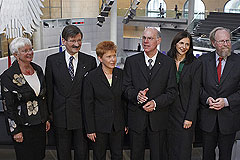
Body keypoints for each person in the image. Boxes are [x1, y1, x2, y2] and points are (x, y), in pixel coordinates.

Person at [123, 27, 177, 160]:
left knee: (158, 155)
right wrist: (136, 95)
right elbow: (125, 88)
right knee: (136, 155)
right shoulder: (131, 62)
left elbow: (172, 91)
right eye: (144, 38)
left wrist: (155, 103)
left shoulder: (168, 63)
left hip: (158, 119)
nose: (146, 41)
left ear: (158, 41)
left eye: (150, 38)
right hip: (136, 119)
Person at [45, 25, 97, 160]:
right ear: (64, 41)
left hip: (82, 116)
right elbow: (49, 89)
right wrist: (48, 115)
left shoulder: (90, 61)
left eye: (79, 40)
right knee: (63, 153)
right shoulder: (52, 60)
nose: (77, 44)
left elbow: (92, 93)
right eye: (73, 40)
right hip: (60, 116)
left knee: (82, 153)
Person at [0, 37, 50, 160]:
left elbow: (43, 97)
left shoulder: (37, 69)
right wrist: (15, 130)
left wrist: (46, 118)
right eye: (25, 50)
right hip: (22, 126)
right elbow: (8, 107)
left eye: (31, 49)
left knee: (40, 155)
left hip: (40, 124)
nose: (30, 53)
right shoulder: (8, 76)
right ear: (16, 54)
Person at [199, 27, 240, 160]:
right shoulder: (203, 61)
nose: (226, 44)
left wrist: (226, 101)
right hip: (207, 119)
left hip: (229, 120)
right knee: (207, 155)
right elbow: (197, 87)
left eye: (228, 40)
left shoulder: (238, 61)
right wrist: (206, 99)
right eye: (221, 41)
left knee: (225, 156)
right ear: (213, 43)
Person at [83, 41, 127, 160]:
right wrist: (90, 129)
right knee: (99, 156)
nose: (113, 59)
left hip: (118, 125)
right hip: (99, 126)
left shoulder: (121, 74)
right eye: (109, 56)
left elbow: (124, 101)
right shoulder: (91, 77)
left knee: (118, 155)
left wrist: (126, 122)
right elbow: (88, 105)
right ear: (100, 58)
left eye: (114, 55)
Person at [167, 31, 202, 160]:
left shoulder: (195, 64)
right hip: (167, 112)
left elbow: (195, 92)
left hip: (184, 112)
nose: (184, 46)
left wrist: (190, 117)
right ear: (175, 43)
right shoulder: (166, 60)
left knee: (183, 150)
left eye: (187, 44)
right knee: (167, 149)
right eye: (181, 43)